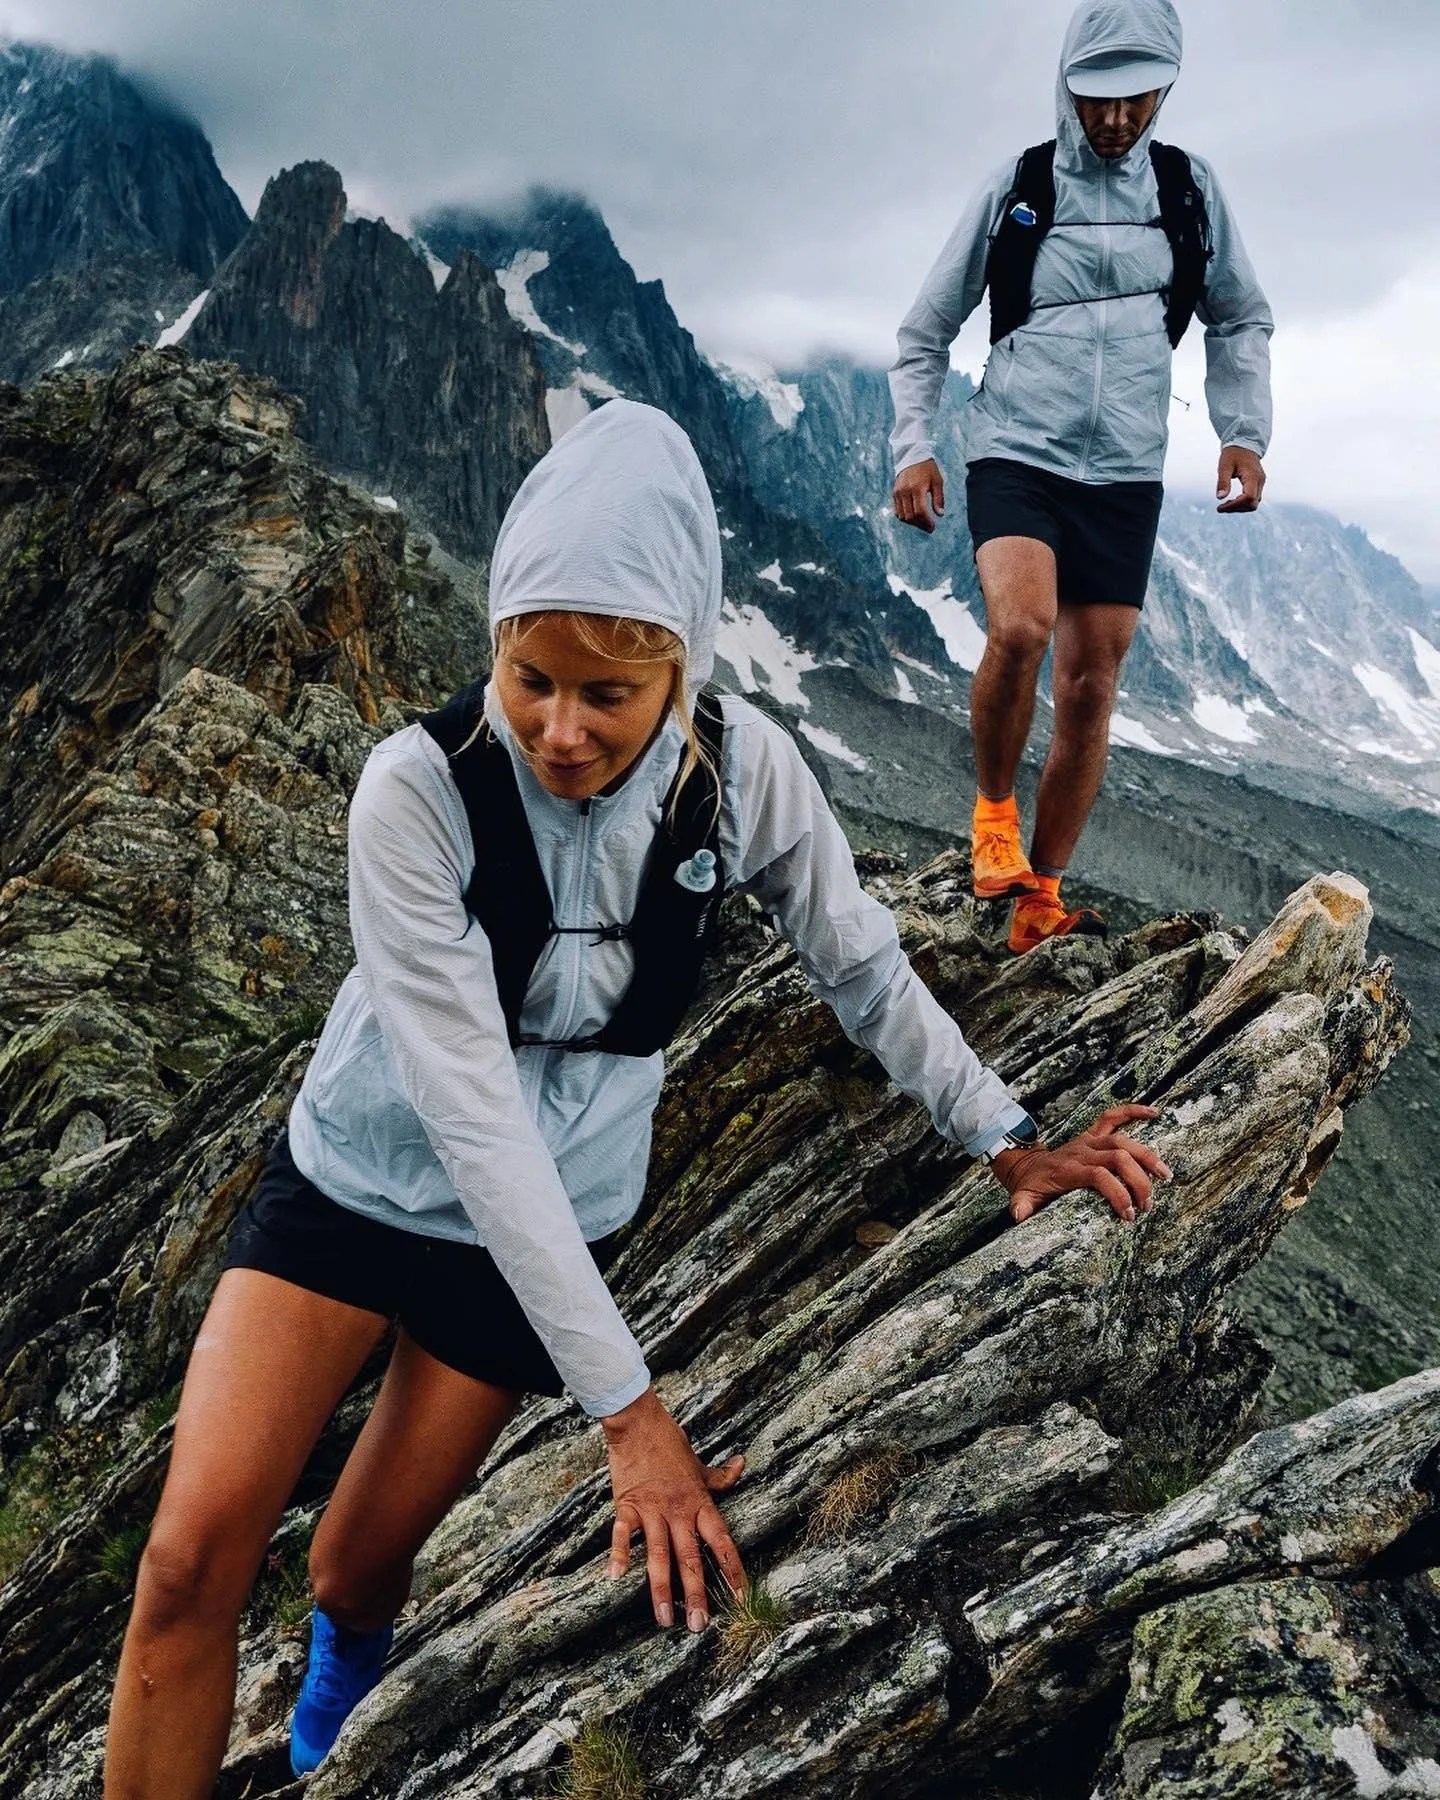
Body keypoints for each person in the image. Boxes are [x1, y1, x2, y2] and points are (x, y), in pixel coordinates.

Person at [103, 399, 1170, 1796]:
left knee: (355, 1563)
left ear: (679, 662)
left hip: (549, 1223)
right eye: (530, 677)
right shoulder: (414, 791)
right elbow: (470, 1108)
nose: (558, 729)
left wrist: (1008, 1137)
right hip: (361, 1180)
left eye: (607, 694)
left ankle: (337, 1681)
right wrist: (629, 1416)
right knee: (188, 1561)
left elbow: (863, 967)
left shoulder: (744, 776)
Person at [889, 0, 1273, 954]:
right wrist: (913, 447)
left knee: (1094, 685)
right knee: (1019, 628)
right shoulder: (1018, 187)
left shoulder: (1190, 189)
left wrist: (1244, 432)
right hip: (1018, 449)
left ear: (1164, 90)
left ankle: (1041, 897)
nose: (1114, 119)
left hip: (1126, 472)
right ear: (1065, 87)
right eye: (1095, 99)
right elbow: (923, 332)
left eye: (1136, 99)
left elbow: (1241, 316)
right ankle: (991, 821)